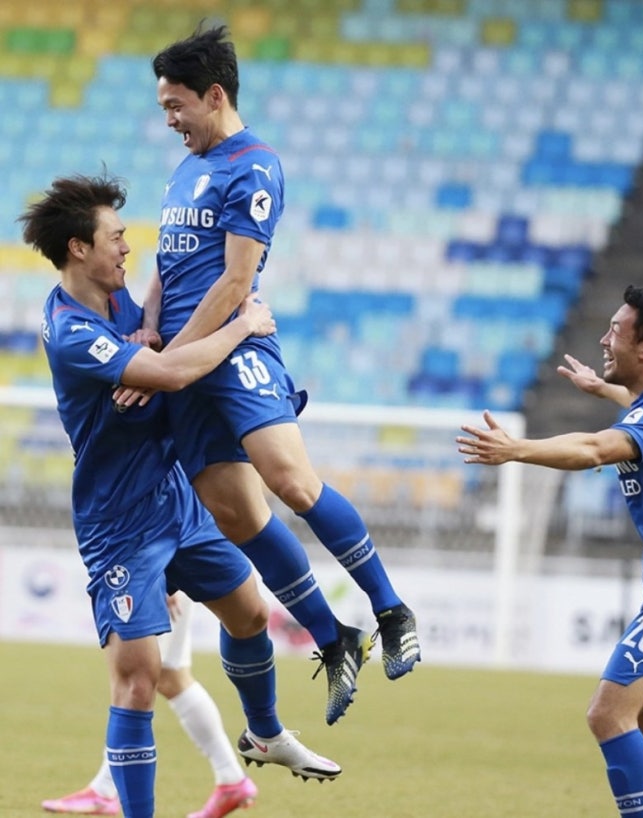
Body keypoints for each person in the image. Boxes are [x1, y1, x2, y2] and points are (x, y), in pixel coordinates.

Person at [116, 23, 420, 726]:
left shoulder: (254, 165)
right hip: (184, 364)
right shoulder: (184, 170)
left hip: (232, 349)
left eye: (175, 105)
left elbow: (234, 283)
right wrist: (150, 328)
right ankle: (334, 637)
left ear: (213, 94)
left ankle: (389, 608)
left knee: (290, 481)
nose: (168, 119)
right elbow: (167, 263)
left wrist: (165, 363)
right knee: (239, 515)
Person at [19, 173, 341, 818]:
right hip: (121, 523)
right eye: (115, 238)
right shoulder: (70, 330)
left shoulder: (120, 306)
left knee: (250, 616)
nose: (125, 249)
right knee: (139, 681)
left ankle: (265, 734)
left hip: (180, 501)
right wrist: (242, 323)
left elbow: (161, 297)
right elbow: (168, 374)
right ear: (78, 249)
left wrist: (156, 330)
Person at [456, 285, 643, 818]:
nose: (604, 339)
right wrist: (605, 388)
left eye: (617, 331)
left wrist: (516, 449)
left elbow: (595, 448)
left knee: (609, 716)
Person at [42, 594, 258, 818]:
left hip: (153, 575)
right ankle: (231, 779)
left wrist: (166, 583)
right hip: (161, 571)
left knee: (135, 678)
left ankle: (104, 790)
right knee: (170, 676)